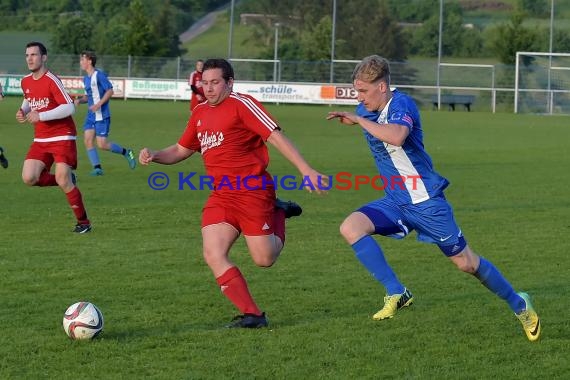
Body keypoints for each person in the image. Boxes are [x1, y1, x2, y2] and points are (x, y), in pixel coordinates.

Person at [326, 55, 541, 341]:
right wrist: (358, 119)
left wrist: (359, 121)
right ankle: (397, 292)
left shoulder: (402, 105)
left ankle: (520, 305)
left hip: (426, 202)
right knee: (351, 227)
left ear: (382, 86)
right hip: (396, 201)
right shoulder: (365, 110)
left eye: (363, 90)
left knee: (467, 263)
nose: (359, 97)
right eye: (357, 91)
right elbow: (374, 124)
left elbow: (398, 135)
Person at [140, 58, 327, 328]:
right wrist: (156, 154)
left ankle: (278, 212)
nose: (209, 88)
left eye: (215, 82)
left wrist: (305, 169)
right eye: (205, 83)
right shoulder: (200, 113)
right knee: (213, 253)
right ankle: (253, 315)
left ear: (230, 82)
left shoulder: (243, 104)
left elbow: (275, 136)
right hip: (222, 195)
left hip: (253, 192)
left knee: (264, 259)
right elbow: (182, 150)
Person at [16, 41, 91, 233]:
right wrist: (22, 110)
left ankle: (83, 223)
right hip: (41, 138)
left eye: (34, 55)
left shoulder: (52, 80)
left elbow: (69, 107)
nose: (30, 59)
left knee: (62, 179)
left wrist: (41, 115)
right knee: (29, 177)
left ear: (44, 57)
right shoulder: (25, 81)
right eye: (27, 55)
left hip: (62, 136)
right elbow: (29, 98)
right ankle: (67, 178)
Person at [74, 50, 136, 176]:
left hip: (102, 115)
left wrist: (98, 104)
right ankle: (97, 168)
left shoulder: (99, 75)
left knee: (102, 144)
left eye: (82, 59)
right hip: (91, 116)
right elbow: (89, 96)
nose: (80, 62)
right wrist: (80, 100)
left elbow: (110, 91)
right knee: (87, 140)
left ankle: (127, 152)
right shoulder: (86, 79)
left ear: (89, 61)